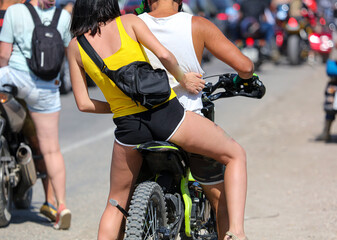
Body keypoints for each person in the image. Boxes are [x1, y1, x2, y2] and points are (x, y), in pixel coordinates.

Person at [68, 0, 253, 239]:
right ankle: (236, 232)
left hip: (128, 128)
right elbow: (164, 54)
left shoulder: (75, 47)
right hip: (166, 116)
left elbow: (83, 104)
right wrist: (182, 79)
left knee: (115, 203)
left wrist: (120, 108)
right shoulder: (128, 22)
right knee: (235, 154)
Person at [136, 0, 255, 239]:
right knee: (225, 180)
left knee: (121, 200)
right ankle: (236, 233)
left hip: (141, 121)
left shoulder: (133, 24)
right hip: (185, 120)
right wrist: (245, 76)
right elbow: (245, 66)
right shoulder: (197, 25)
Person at [0, 0, 72, 229]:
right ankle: (61, 206)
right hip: (46, 89)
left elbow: (4, 54)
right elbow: (70, 55)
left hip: (16, 79)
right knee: (51, 149)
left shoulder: (15, 11)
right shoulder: (63, 17)